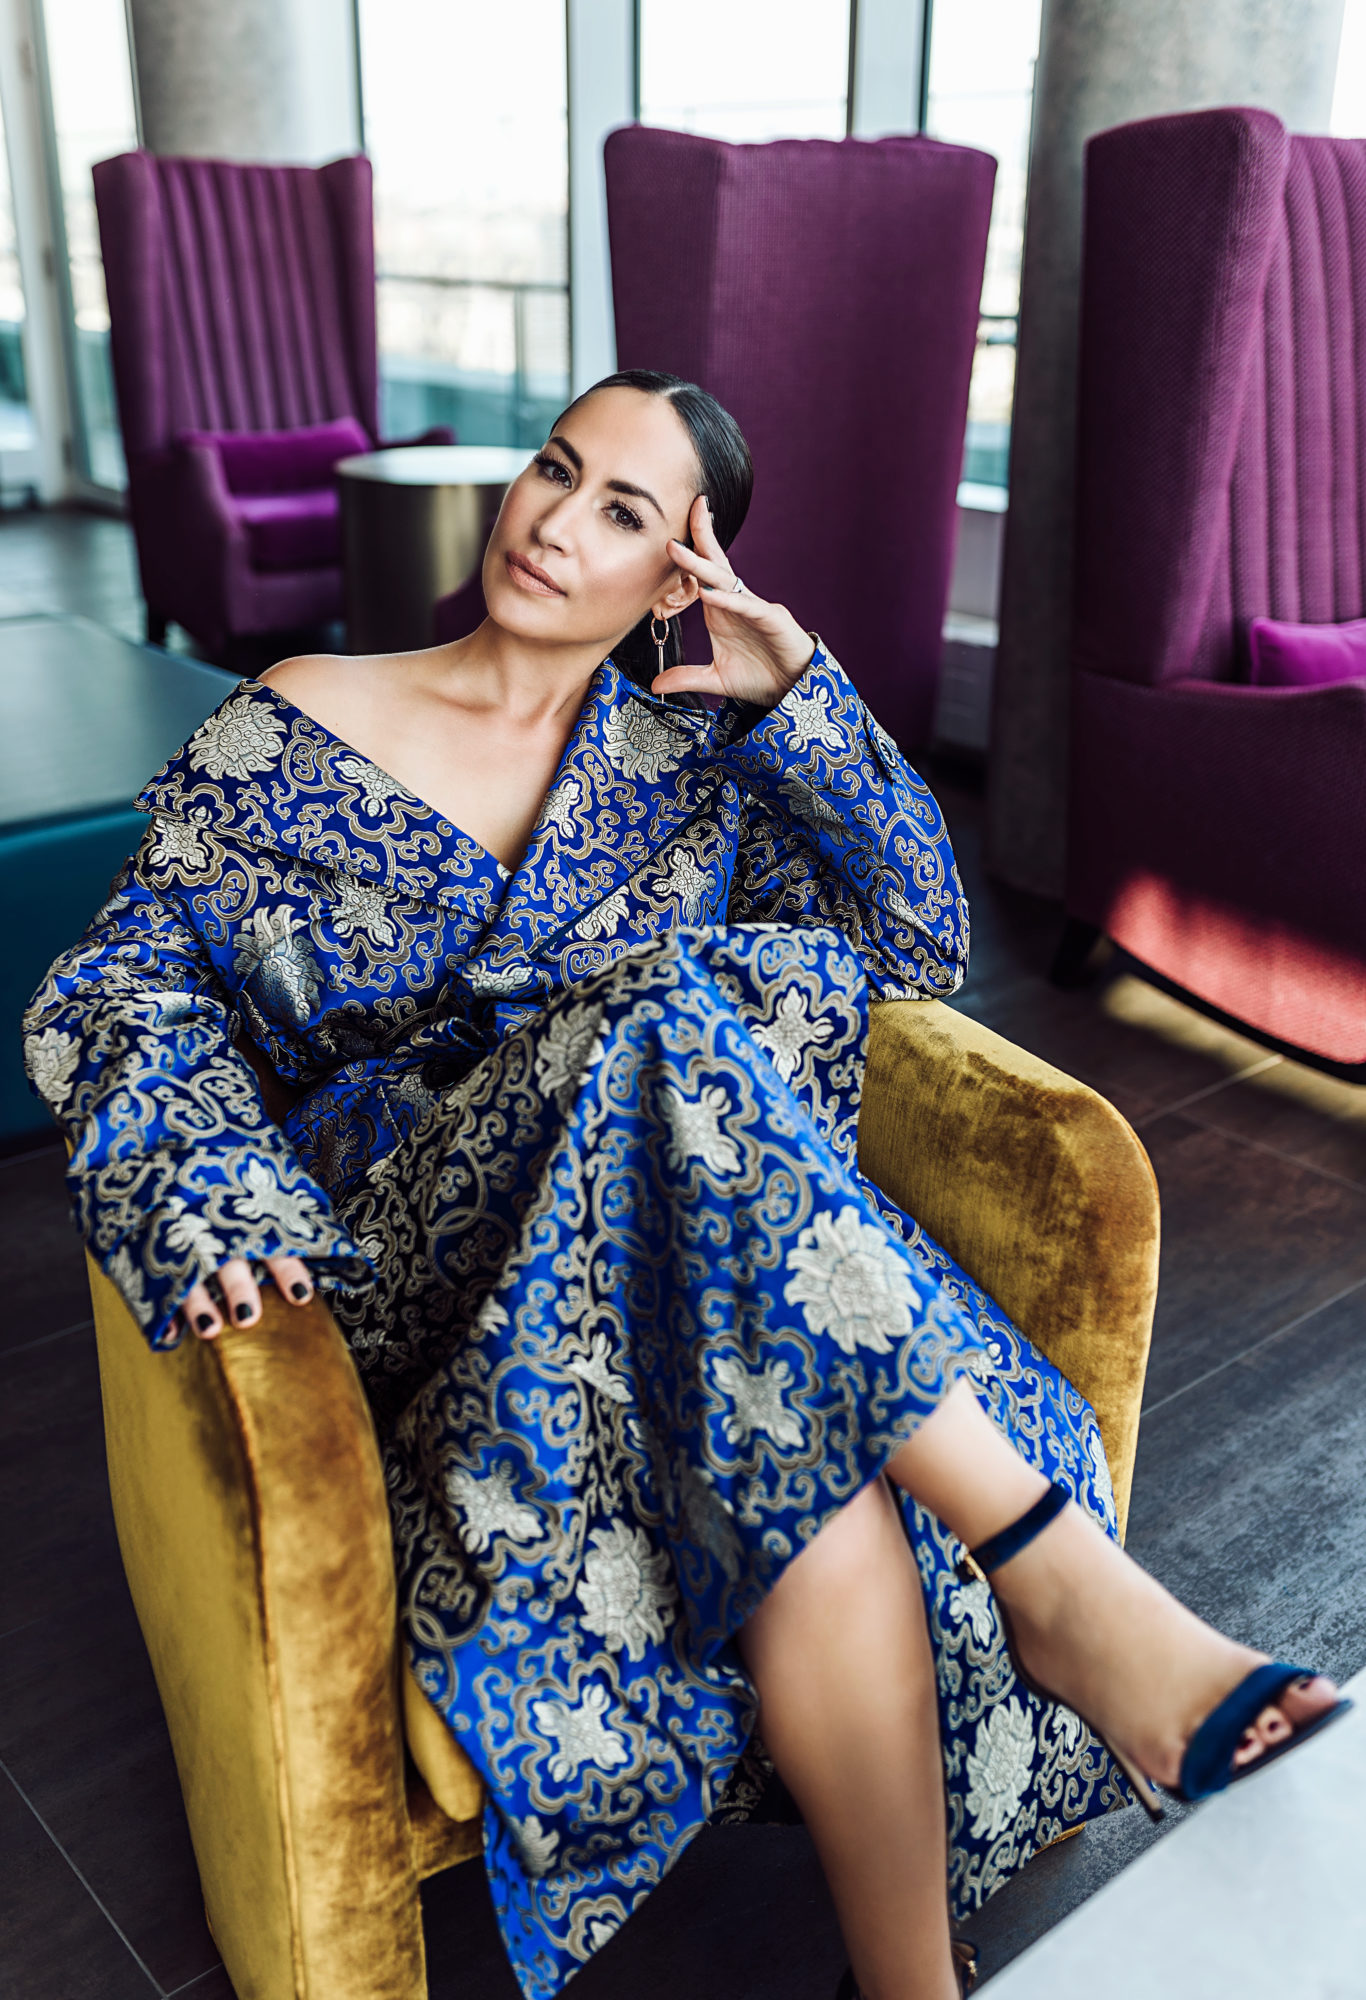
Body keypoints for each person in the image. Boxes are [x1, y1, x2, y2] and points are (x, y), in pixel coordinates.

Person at [25, 371, 1344, 2000]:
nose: (554, 522)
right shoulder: (303, 713)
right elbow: (127, 982)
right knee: (666, 1012)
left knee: (817, 1457)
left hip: (671, 1272)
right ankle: (1054, 1574)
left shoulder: (688, 762)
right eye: (554, 469)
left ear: (677, 575)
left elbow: (912, 940)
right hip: (424, 1267)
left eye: (623, 510)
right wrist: (210, 1193)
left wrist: (799, 693)